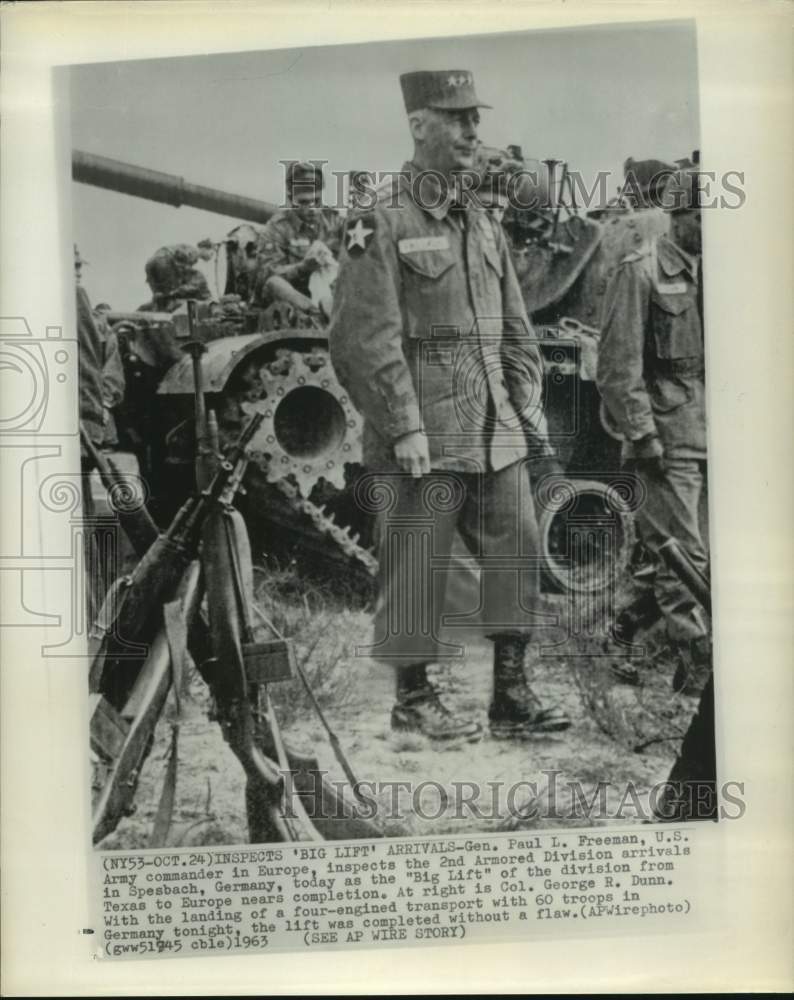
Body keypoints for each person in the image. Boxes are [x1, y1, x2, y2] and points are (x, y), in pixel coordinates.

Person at [329, 69, 571, 742]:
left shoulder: (481, 219)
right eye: (456, 118)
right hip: (425, 430)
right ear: (418, 126)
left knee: (516, 548)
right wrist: (402, 424)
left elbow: (514, 325)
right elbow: (362, 338)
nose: (472, 130)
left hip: (494, 426)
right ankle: (413, 699)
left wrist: (525, 400)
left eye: (475, 118)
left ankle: (511, 696)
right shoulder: (379, 218)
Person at [596, 166, 710, 694]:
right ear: (678, 215)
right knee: (687, 555)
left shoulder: (718, 272)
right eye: (701, 217)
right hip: (667, 435)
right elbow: (617, 367)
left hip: (710, 430)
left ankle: (623, 631)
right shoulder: (640, 272)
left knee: (679, 550)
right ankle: (696, 668)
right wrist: (643, 436)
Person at [252, 161, 343, 316]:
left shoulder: (333, 222)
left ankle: (331, 309)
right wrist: (302, 268)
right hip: (294, 298)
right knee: (274, 283)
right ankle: (317, 313)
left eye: (317, 201)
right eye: (304, 202)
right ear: (291, 199)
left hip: (329, 291)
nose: (312, 209)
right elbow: (266, 275)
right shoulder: (277, 228)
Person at [142, 239, 214, 311]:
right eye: (211, 253)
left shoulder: (185, 247)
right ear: (204, 249)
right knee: (170, 295)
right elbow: (180, 265)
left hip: (151, 263)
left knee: (159, 295)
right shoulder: (194, 253)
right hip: (163, 261)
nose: (211, 257)